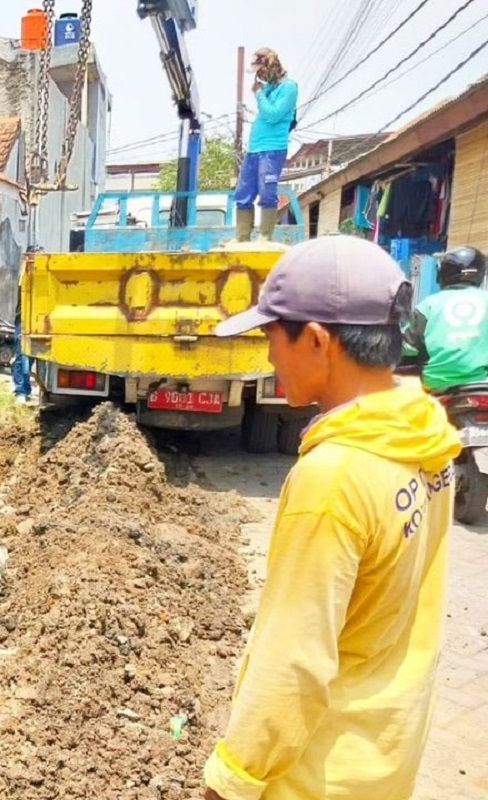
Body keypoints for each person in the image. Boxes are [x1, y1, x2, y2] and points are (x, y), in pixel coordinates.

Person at [203, 236, 460, 800]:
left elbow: (294, 660)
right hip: (385, 754)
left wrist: (230, 781)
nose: (269, 356)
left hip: (317, 773)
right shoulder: (423, 435)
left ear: (318, 340)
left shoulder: (334, 479)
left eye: (272, 337)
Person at [403, 246, 488, 392]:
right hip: (482, 385)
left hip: (435, 386)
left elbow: (408, 348)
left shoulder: (428, 305)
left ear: (443, 274)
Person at [235, 48, 298, 243]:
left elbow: (273, 115)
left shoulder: (288, 87)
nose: (258, 75)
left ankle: (265, 236)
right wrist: (263, 91)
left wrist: (259, 94)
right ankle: (242, 237)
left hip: (272, 149)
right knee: (243, 193)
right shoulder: (270, 88)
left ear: (269, 66)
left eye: (260, 70)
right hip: (255, 148)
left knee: (266, 191)